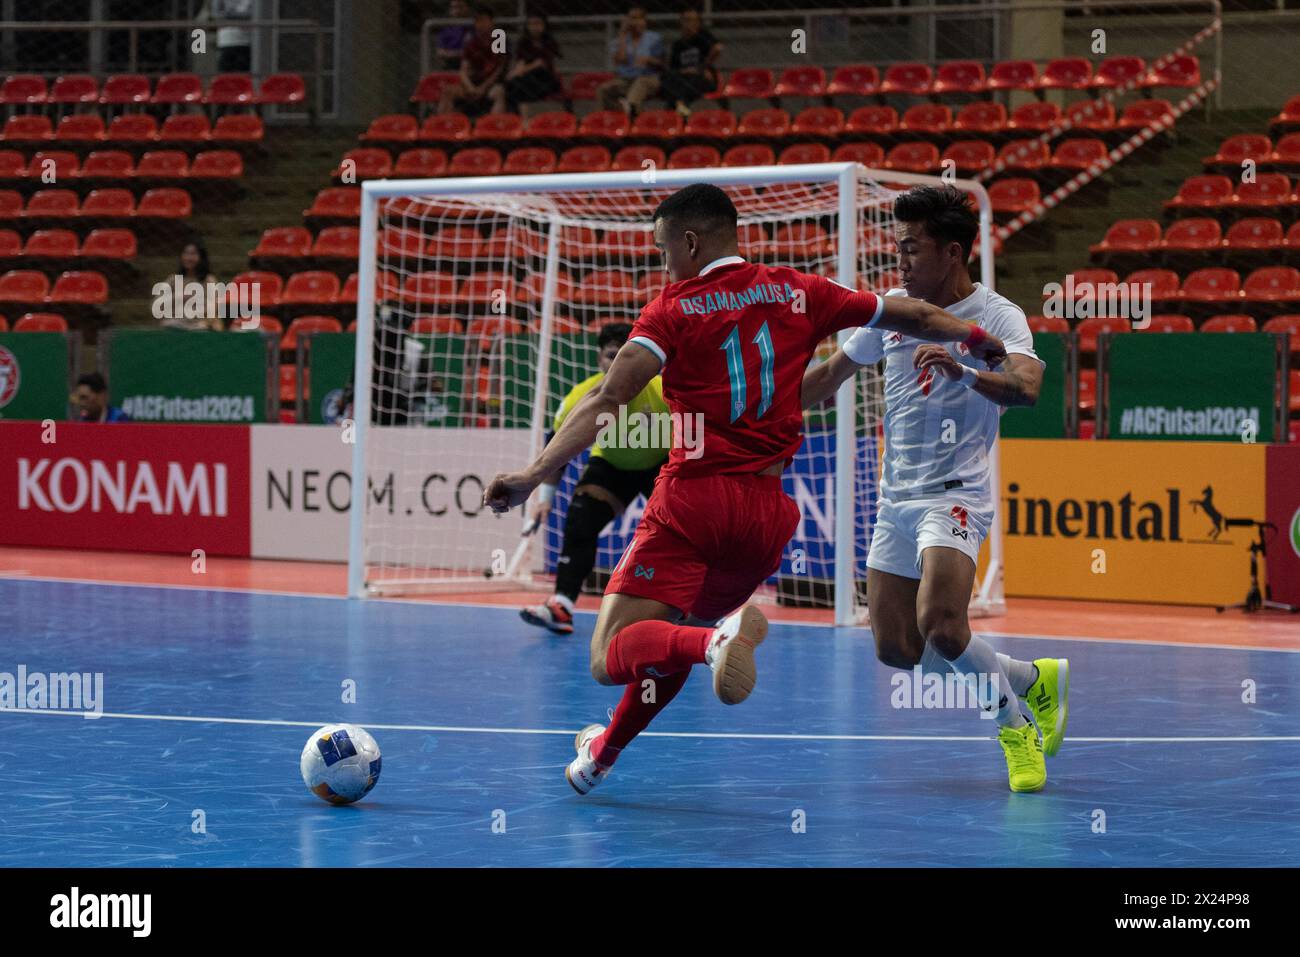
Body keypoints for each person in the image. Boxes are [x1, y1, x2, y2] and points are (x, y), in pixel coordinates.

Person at [484, 183, 1006, 794]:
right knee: (668, 642)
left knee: (612, 654)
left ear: (689, 240)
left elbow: (607, 399)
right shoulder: (800, 289)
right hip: (765, 519)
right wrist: (973, 339)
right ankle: (602, 755)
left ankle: (713, 641)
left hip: (693, 500)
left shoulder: (671, 309)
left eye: (662, 250)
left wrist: (532, 474)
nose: (662, 264)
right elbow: (912, 314)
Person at [800, 185, 1067, 793]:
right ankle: (1030, 678)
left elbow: (1026, 388)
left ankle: (1013, 727)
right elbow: (831, 377)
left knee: (945, 627)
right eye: (897, 249)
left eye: (910, 249)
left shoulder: (998, 315)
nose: (899, 262)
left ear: (951, 252)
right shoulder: (894, 309)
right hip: (895, 497)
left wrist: (967, 371)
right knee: (896, 648)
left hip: (957, 495)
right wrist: (762, 409)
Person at [520, 323, 670, 635]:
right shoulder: (583, 395)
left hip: (660, 466)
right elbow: (555, 447)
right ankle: (561, 605)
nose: (616, 363)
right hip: (611, 466)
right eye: (610, 356)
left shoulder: (661, 390)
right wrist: (544, 501)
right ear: (599, 359)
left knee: (680, 534)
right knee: (579, 522)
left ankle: (694, 608)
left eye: (622, 355)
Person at [438, 7, 507, 117]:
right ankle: (444, 126)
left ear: (492, 22)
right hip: (472, 83)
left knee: (499, 92)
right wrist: (470, 86)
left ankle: (495, 127)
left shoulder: (499, 39)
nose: (481, 24)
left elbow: (498, 70)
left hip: (491, 84)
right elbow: (463, 69)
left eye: (484, 20)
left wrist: (482, 88)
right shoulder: (471, 42)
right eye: (478, 21)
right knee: (448, 91)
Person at [596, 7, 663, 115]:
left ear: (645, 21)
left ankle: (631, 112)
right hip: (626, 79)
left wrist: (648, 60)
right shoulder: (619, 41)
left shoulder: (653, 38)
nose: (636, 22)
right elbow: (621, 60)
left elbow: (661, 63)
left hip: (648, 78)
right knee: (603, 90)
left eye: (639, 18)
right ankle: (619, 115)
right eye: (632, 18)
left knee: (639, 85)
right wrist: (622, 34)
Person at [659, 8, 721, 117]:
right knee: (667, 78)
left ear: (698, 23)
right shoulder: (678, 45)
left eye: (693, 20)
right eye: (686, 20)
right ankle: (680, 108)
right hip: (683, 78)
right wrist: (686, 71)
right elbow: (673, 68)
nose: (689, 24)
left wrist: (702, 68)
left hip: (701, 77)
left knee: (692, 81)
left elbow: (718, 48)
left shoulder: (703, 36)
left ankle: (678, 109)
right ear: (681, 22)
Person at [497, 13, 561, 115]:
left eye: (537, 23)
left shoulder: (549, 42)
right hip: (527, 78)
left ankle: (518, 117)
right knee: (513, 84)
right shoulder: (524, 42)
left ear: (544, 25)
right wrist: (516, 72)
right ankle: (514, 117)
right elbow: (520, 63)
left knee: (518, 85)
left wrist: (521, 71)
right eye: (531, 24)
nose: (534, 27)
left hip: (545, 79)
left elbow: (540, 64)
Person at [160, 241, 223, 331]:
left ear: (201, 258)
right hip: (178, 322)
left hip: (201, 323)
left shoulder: (209, 280)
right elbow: (157, 305)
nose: (189, 258)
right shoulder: (173, 279)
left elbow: (213, 307)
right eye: (186, 253)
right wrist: (179, 297)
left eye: (193, 254)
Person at [211, 0, 254, 73]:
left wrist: (229, 15)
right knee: (226, 74)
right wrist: (241, 17)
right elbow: (216, 14)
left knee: (244, 73)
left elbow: (255, 13)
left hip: (247, 40)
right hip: (226, 39)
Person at [434, 0, 474, 70]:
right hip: (451, 65)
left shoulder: (474, 26)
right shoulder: (446, 28)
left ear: (468, 8)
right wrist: (460, 53)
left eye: (460, 7)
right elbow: (440, 52)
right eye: (454, 8)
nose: (457, 11)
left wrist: (451, 53)